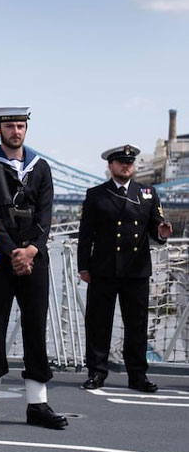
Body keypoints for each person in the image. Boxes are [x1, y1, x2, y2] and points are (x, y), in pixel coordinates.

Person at [0, 107, 67, 430]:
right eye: (9, 126)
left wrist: (32, 249)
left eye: (20, 126)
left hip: (34, 259)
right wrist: (12, 252)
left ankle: (38, 403)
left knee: (35, 328)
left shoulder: (41, 167)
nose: (16, 131)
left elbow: (46, 212)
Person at [78, 145, 171, 392]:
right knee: (98, 323)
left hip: (136, 270)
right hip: (104, 269)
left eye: (130, 162)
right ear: (110, 166)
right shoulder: (96, 194)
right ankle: (96, 372)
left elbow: (156, 228)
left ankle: (137, 376)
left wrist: (162, 235)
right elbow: (86, 235)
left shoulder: (148, 194)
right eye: (120, 162)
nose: (126, 166)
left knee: (137, 325)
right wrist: (83, 266)